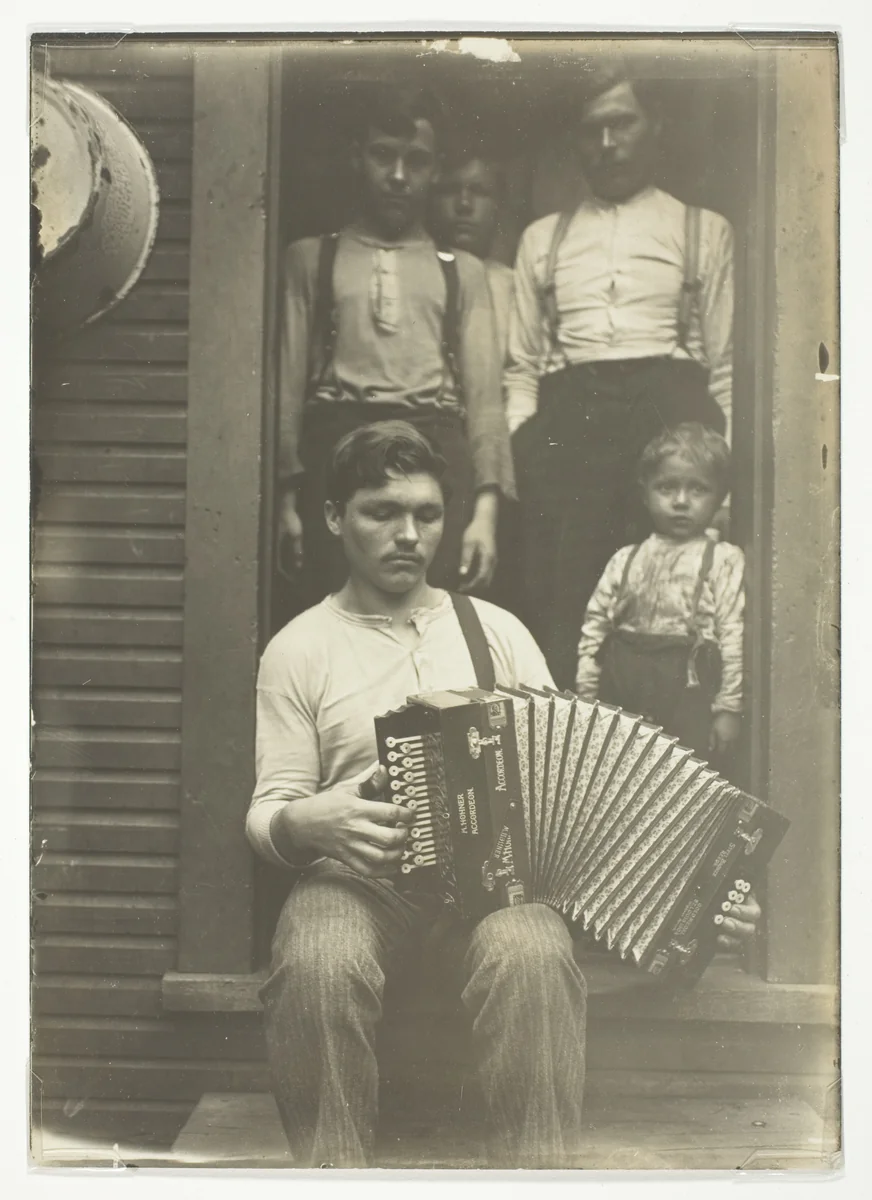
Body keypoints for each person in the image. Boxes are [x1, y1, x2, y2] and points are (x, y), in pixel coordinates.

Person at [247, 421, 760, 1168]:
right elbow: (266, 813)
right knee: (318, 957)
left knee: (534, 949)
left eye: (426, 514)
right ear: (334, 518)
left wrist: (707, 893)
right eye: (381, 512)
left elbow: (581, 783)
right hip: (361, 881)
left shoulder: (495, 631)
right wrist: (307, 820)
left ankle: (537, 1174)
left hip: (491, 885)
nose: (408, 535)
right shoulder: (300, 647)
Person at [505, 63, 734, 689]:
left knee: (668, 598)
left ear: (654, 126)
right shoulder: (541, 240)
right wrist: (529, 450)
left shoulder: (703, 230)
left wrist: (728, 477)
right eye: (591, 130)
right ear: (574, 142)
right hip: (570, 422)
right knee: (568, 599)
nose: (607, 144)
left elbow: (728, 367)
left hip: (668, 414)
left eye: (622, 123)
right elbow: (522, 368)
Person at [276, 84, 513, 612]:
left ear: (434, 171)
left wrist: (486, 514)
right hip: (338, 458)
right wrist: (285, 503)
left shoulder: (463, 273)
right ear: (356, 158)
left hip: (434, 461)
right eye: (384, 155)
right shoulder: (311, 259)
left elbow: (486, 403)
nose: (400, 176)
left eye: (418, 161)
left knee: (428, 624)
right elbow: (286, 392)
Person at [575, 423, 743, 762]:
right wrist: (586, 697)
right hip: (623, 689)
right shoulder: (625, 559)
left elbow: (732, 635)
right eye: (666, 487)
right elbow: (595, 633)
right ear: (645, 492)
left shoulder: (722, 558)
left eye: (698, 489)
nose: (681, 501)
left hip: (686, 695)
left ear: (720, 495)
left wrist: (728, 709)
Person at [430, 144, 514, 362]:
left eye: (479, 192)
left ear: (499, 205)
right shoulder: (415, 274)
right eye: (450, 191)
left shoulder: (513, 288)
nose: (464, 204)